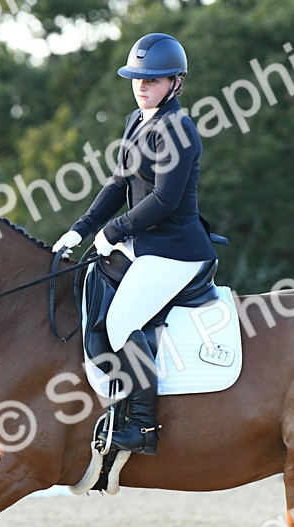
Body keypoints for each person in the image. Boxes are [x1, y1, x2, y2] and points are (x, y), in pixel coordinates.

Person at [52, 32, 218, 455]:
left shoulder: (178, 130)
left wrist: (115, 231)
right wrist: (82, 228)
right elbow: (118, 183)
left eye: (153, 80)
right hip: (143, 243)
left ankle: (143, 426)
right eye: (137, 79)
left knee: (122, 320)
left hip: (175, 249)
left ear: (175, 83)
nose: (142, 86)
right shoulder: (137, 120)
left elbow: (164, 200)